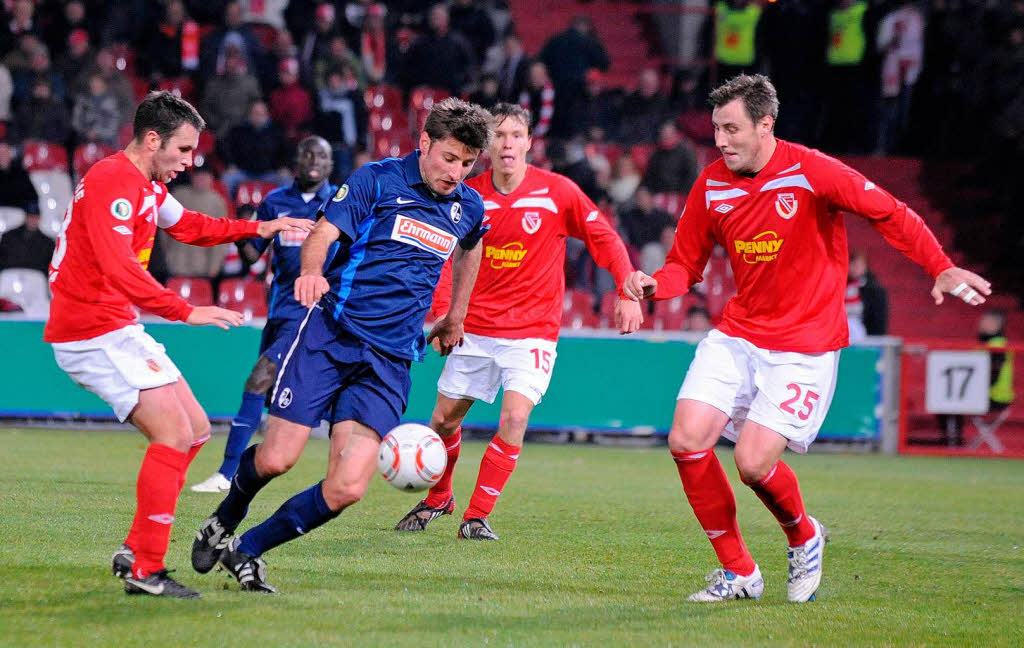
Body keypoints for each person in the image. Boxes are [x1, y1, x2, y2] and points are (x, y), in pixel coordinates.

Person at [623, 75, 990, 603]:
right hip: (738, 334)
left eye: (732, 129)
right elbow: (685, 265)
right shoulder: (712, 184)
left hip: (804, 345)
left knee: (752, 464)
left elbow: (889, 211)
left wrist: (941, 265)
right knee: (685, 440)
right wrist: (655, 285)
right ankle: (740, 572)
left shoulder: (810, 169)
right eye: (716, 130)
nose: (721, 140)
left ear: (765, 124)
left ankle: (804, 535)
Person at [191, 98, 492, 593]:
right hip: (331, 337)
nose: (456, 172)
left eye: (466, 163)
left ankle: (248, 550)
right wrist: (311, 274)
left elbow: (472, 243)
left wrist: (455, 316)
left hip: (390, 361)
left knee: (348, 487)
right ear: (424, 144)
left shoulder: (468, 206)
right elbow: (323, 233)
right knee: (276, 459)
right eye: (449, 158)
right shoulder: (377, 179)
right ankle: (222, 520)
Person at [43, 91, 315, 599]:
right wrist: (184, 310)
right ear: (152, 140)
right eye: (184, 150)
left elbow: (189, 224)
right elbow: (117, 266)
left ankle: (135, 548)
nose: (191, 161)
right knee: (172, 433)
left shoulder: (144, 185)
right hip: (89, 329)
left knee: (191, 430)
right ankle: (146, 568)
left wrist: (258, 226)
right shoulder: (113, 182)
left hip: (114, 326)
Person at [393, 103, 643, 540]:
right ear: (488, 145)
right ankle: (440, 497)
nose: (508, 144)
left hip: (532, 332)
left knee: (513, 418)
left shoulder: (558, 192)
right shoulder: (469, 196)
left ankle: (477, 515)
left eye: (516, 135)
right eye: (499, 136)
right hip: (475, 328)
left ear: (530, 142)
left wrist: (625, 287)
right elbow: (444, 258)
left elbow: (603, 237)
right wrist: (445, 315)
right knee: (443, 423)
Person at [191, 136, 338, 493]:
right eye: (306, 153)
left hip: (314, 314)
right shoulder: (275, 202)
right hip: (280, 313)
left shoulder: (338, 203)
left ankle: (227, 474)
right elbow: (252, 258)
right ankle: (260, 473)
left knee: (258, 381)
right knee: (272, 398)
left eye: (321, 154)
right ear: (295, 160)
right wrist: (245, 231)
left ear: (331, 164)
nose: (313, 159)